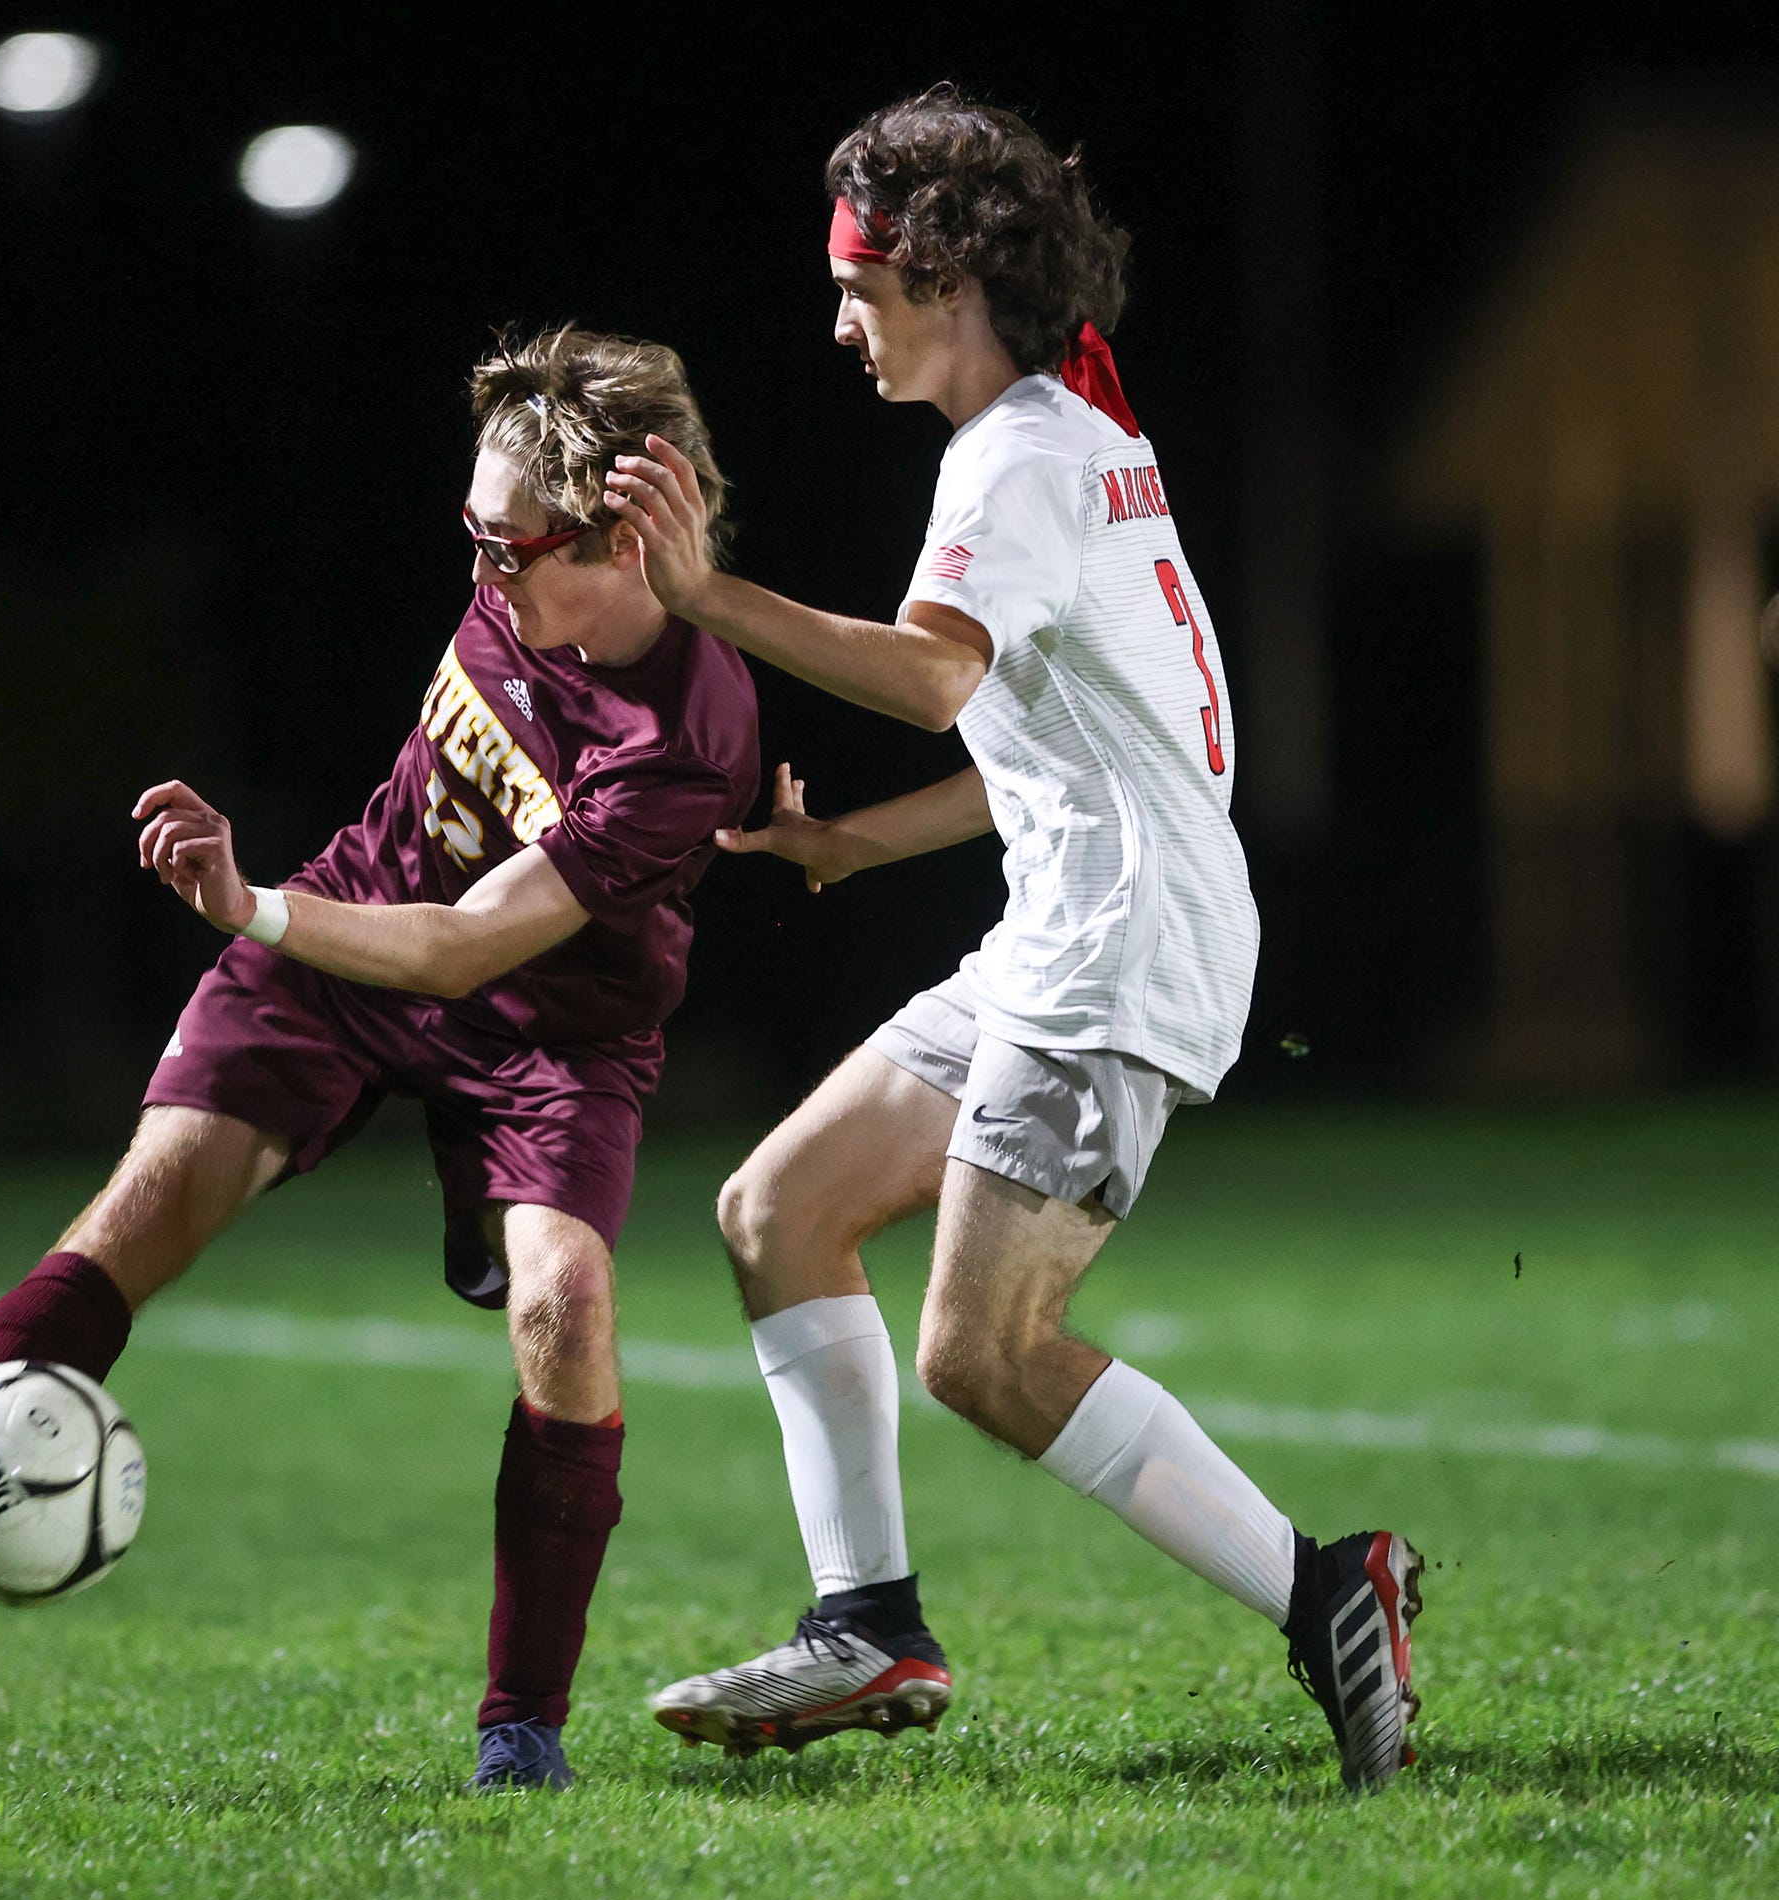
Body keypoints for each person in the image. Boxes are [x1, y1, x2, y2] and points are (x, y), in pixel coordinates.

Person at [603, 87, 1423, 1793]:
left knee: (981, 1351)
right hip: (1074, 929)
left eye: (858, 283)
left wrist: (703, 598)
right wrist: (852, 844)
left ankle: (1325, 1590)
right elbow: (1053, 747)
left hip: (1117, 955)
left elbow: (929, 677)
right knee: (777, 1208)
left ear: (949, 273)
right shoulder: (1064, 440)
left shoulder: (1025, 458)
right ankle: (868, 1622)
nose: (840, 319)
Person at [0, 326, 761, 1794]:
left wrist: (249, 905)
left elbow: (469, 953)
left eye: (510, 550)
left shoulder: (685, 735)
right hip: (353, 948)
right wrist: (288, 925)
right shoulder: (529, 587)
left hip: (546, 1025)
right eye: (469, 538)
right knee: (148, 1204)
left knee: (566, 1305)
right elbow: (415, 926)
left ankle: (518, 1727)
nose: (482, 576)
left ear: (623, 537)